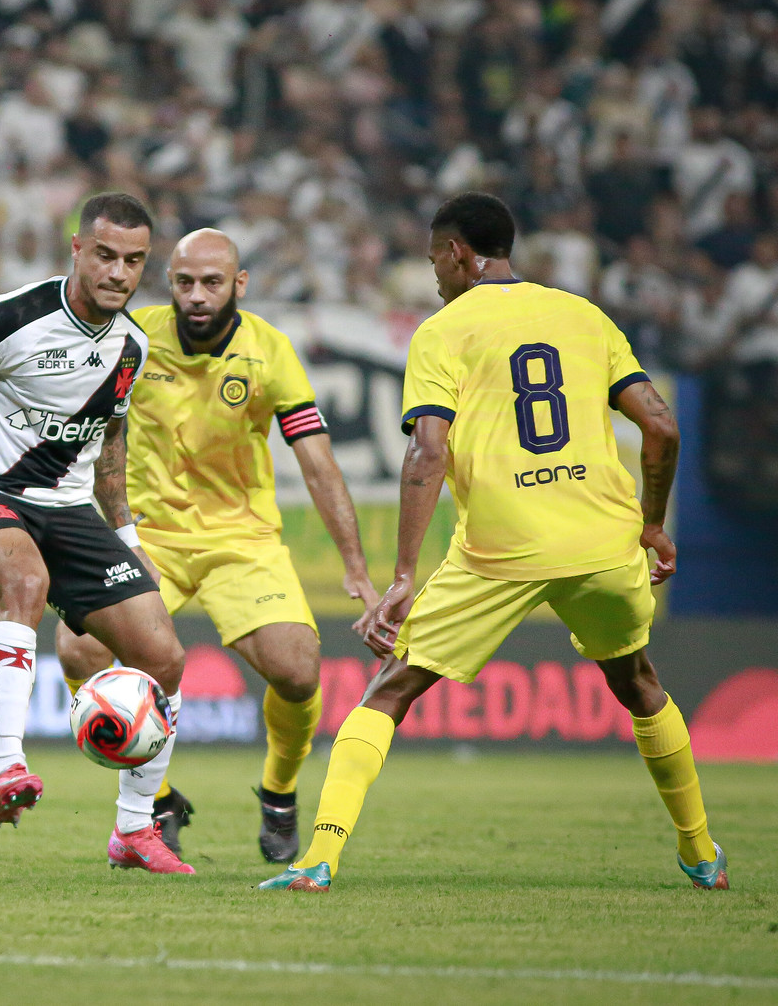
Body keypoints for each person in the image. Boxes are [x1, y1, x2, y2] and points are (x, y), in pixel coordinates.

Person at [261, 192, 727, 892]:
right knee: (636, 681)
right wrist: (652, 520)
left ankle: (317, 859)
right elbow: (659, 426)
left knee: (390, 689)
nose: (435, 280)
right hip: (604, 538)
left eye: (434, 263)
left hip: (502, 546)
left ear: (457, 253)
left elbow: (427, 455)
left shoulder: (444, 331)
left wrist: (403, 575)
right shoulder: (583, 314)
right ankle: (702, 852)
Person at [56, 229, 379, 863]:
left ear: (239, 284)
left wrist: (356, 568)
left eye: (211, 282)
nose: (197, 296)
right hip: (148, 539)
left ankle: (279, 792)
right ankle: (159, 798)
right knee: (77, 649)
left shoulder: (270, 350)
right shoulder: (133, 339)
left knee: (297, 670)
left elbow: (315, 461)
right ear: (169, 284)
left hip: (241, 538)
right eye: (184, 283)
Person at [0, 192, 193, 875]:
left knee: (166, 657)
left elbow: (110, 436)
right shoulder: (13, 316)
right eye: (106, 256)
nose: (120, 273)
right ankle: (8, 766)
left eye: (134, 261)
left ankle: (134, 829)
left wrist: (125, 532)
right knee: (25, 584)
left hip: (71, 510)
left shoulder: (132, 346)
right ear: (77, 250)